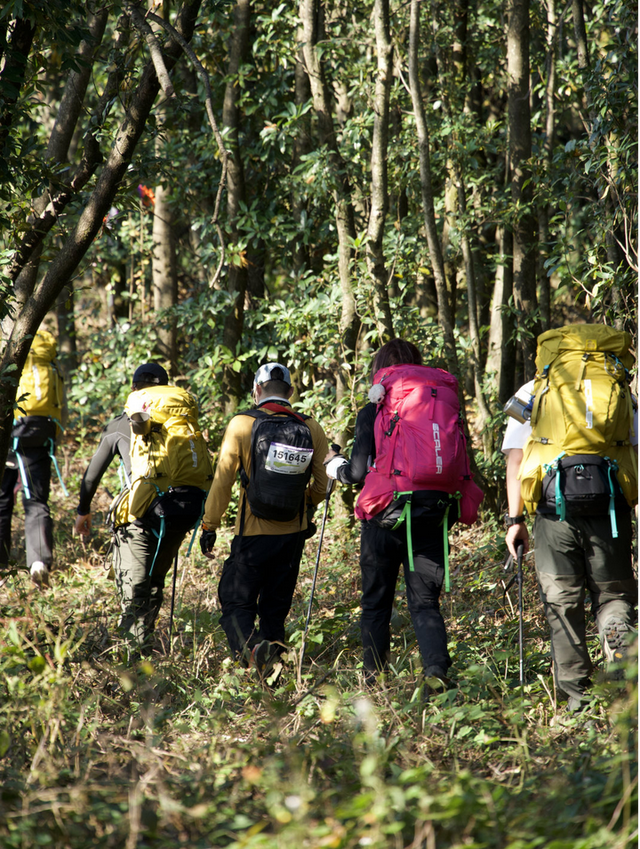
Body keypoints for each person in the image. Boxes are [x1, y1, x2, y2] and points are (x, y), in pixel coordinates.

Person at [324, 339, 481, 691]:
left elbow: (358, 472)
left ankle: (373, 679)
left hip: (384, 516)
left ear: (381, 370)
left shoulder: (374, 409)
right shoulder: (441, 400)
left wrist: (336, 467)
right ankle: (436, 673)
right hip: (432, 512)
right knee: (425, 603)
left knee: (375, 604)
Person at [503, 331, 639, 713]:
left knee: (563, 604)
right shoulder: (618, 385)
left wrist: (516, 520)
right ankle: (620, 662)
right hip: (609, 509)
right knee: (613, 595)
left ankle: (578, 701)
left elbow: (515, 460)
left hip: (552, 512)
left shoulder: (536, 388)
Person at [200, 363, 329, 672]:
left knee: (235, 601)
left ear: (256, 391)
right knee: (275, 607)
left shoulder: (241, 424)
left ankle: (253, 650)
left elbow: (223, 480)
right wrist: (302, 502)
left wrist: (210, 524)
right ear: (291, 392)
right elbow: (323, 485)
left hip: (252, 533)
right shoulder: (311, 427)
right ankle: (277, 672)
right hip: (293, 534)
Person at [75, 362, 185, 654]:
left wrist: (82, 511)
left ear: (134, 389)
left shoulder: (121, 424)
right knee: (154, 583)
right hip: (176, 511)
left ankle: (131, 664)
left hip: (137, 517)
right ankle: (143, 652)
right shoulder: (181, 421)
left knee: (134, 591)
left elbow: (92, 474)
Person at [0, 329, 65, 586]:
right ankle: (38, 561)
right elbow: (61, 403)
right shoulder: (50, 360)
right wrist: (56, 438)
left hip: (11, 428)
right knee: (36, 500)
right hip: (42, 430)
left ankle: (2, 566)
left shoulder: (9, 355)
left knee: (3, 498)